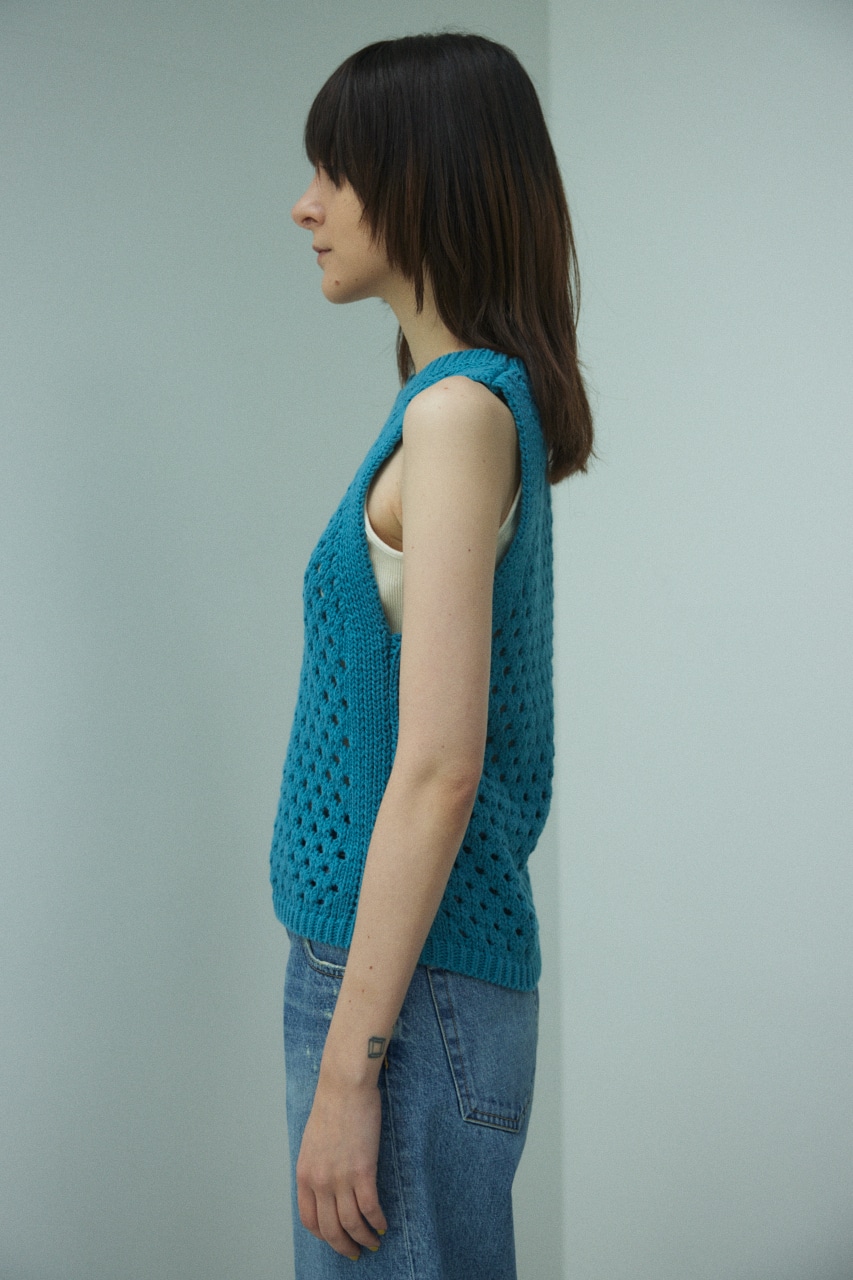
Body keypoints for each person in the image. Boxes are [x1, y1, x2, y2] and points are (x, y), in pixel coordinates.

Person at [270, 31, 593, 1279]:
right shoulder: (450, 401)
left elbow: (442, 764)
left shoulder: (458, 414)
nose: (305, 205)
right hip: (397, 980)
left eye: (334, 171)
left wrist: (352, 1069)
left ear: (420, 180)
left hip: (405, 994)